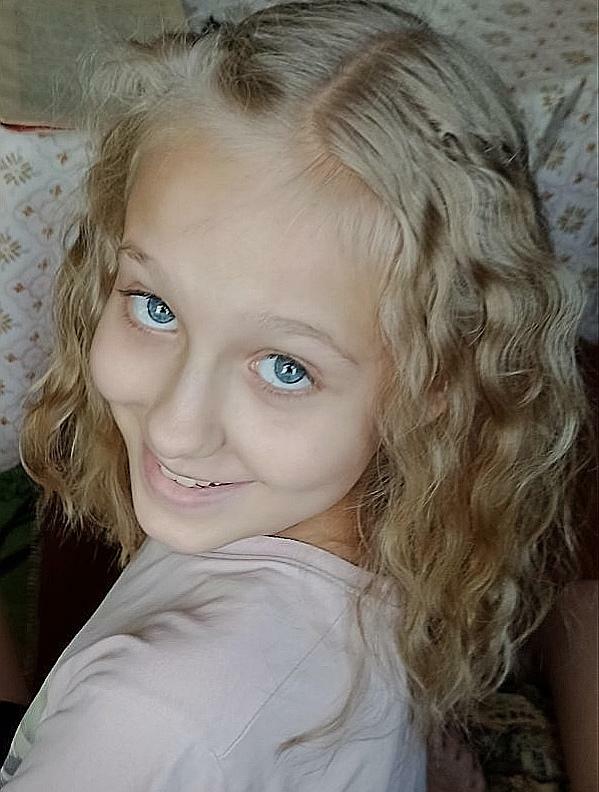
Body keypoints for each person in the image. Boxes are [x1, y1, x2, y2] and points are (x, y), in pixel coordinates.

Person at [0, 1, 592, 789]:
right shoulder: (396, 522)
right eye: (156, 307)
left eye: (285, 367)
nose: (175, 428)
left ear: (434, 384)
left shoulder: (146, 721)